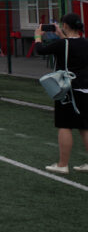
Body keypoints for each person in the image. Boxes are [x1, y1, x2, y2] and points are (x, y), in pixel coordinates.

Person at [34, 14, 88, 175]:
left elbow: (40, 50)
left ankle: (62, 164)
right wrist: (61, 35)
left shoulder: (62, 44)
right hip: (85, 87)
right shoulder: (85, 42)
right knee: (85, 127)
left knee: (65, 125)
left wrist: (38, 36)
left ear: (64, 25)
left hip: (67, 89)